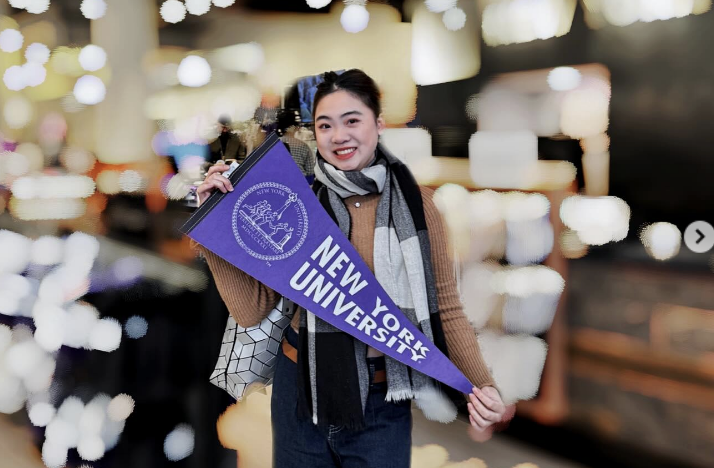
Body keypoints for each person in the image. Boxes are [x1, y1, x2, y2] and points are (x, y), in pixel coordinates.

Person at [195, 70, 507, 468]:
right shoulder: (298, 201)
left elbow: (445, 308)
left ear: (378, 123)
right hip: (298, 394)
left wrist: (481, 386)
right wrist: (214, 224)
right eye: (325, 125)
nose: (339, 135)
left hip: (382, 402)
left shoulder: (419, 207)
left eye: (352, 120)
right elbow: (252, 310)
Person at [277, 108, 316, 181]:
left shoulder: (272, 145)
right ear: (294, 127)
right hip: (300, 183)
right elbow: (310, 174)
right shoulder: (304, 146)